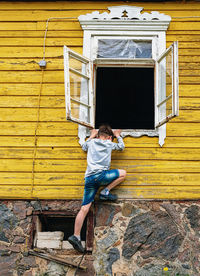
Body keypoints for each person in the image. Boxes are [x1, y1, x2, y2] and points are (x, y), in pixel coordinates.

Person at [68, 125, 126, 253]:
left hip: (89, 179)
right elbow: (121, 147)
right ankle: (105, 191)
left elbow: (83, 147)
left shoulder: (91, 142)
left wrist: (91, 136)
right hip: (101, 176)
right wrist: (118, 136)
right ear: (109, 137)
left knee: (84, 209)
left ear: (98, 135)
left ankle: (76, 235)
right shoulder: (109, 144)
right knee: (123, 173)